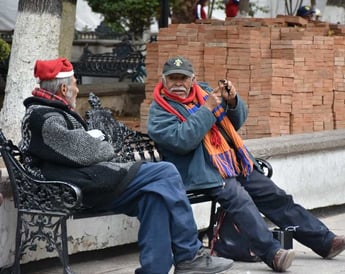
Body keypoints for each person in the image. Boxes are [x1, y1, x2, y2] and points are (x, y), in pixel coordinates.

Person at [19, 57, 233, 274]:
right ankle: (189, 255)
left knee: (155, 197)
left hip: (87, 180)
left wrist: (92, 142)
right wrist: (102, 145)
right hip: (73, 187)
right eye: (75, 83)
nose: (77, 88)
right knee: (166, 172)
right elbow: (87, 151)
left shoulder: (50, 112)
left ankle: (155, 270)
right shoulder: (42, 116)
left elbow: (79, 148)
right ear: (63, 88)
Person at [147, 56, 345, 272]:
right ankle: (272, 253)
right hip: (197, 173)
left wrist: (232, 101)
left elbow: (234, 123)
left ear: (193, 80)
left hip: (230, 163)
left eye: (183, 79)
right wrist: (207, 110)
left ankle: (325, 242)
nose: (178, 84)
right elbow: (183, 141)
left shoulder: (203, 93)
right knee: (239, 199)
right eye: (172, 79)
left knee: (273, 194)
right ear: (163, 81)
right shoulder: (159, 110)